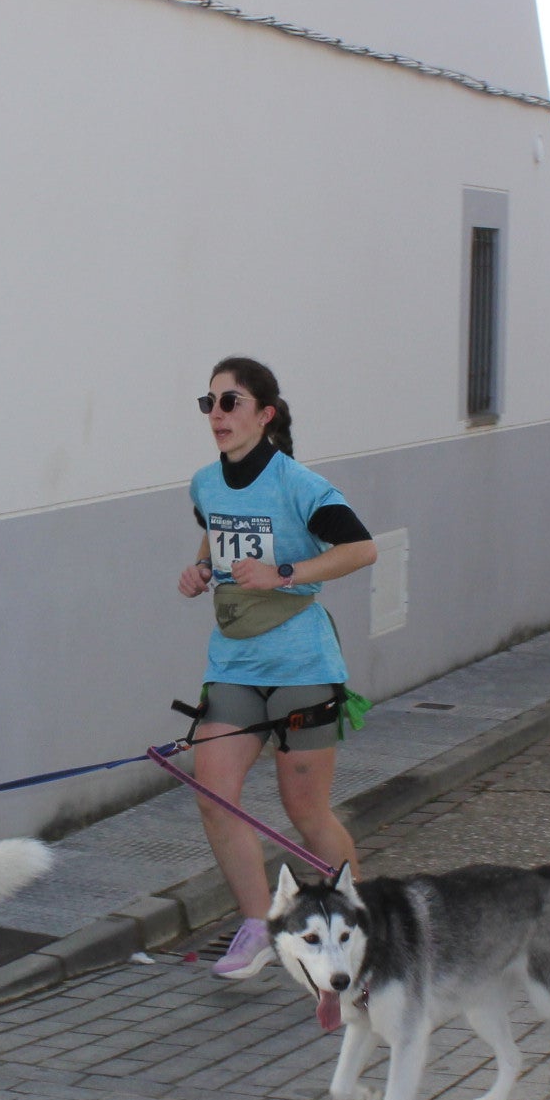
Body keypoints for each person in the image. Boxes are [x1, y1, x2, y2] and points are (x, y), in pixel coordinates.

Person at [177, 357, 378, 978]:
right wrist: (201, 569)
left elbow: (361, 548)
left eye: (230, 402)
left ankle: (358, 932)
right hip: (234, 662)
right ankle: (259, 926)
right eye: (209, 403)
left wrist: (284, 573)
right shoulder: (205, 484)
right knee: (214, 795)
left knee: (305, 812)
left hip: (301, 666)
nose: (217, 414)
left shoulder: (299, 485)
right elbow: (217, 533)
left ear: (264, 414)